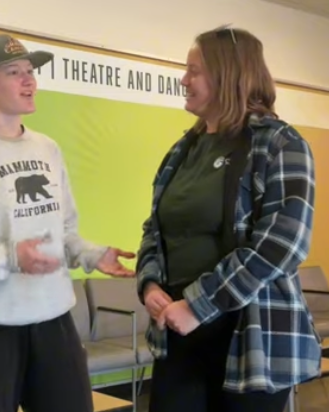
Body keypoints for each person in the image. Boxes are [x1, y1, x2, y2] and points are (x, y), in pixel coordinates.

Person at [0, 33, 135, 412]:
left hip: (52, 317)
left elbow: (64, 231)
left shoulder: (47, 147)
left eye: (30, 71)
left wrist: (93, 255)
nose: (29, 81)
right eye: (14, 72)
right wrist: (11, 257)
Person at [136, 26, 322, 412]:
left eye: (194, 71)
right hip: (178, 328)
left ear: (228, 76)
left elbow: (282, 244)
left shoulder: (279, 143)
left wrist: (197, 306)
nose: (183, 80)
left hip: (251, 333)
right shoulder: (182, 150)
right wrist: (151, 284)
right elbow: (155, 227)